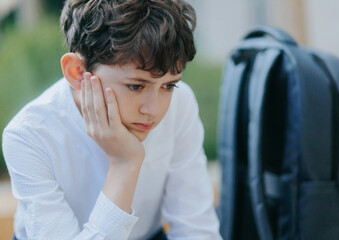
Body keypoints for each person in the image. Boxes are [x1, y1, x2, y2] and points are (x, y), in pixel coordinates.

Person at [2, 0, 222, 239]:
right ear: (77, 72)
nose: (154, 109)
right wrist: (124, 163)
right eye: (136, 86)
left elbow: (196, 228)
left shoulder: (180, 103)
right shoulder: (28, 135)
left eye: (169, 85)